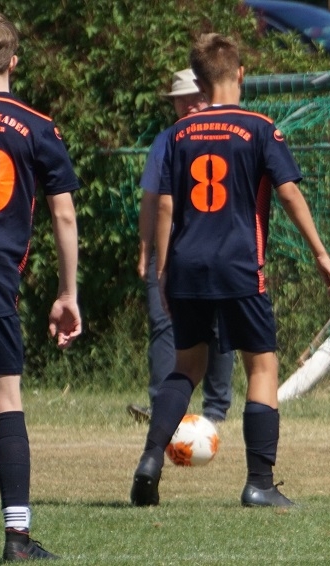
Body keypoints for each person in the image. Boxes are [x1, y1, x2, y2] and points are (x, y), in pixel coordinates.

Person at [130, 33, 330, 508]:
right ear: (241, 73)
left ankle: (150, 458)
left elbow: (165, 205)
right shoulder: (259, 128)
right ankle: (259, 484)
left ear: (199, 81)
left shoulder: (179, 134)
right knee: (262, 366)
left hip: (186, 265)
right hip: (239, 265)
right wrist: (320, 253)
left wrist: (163, 270)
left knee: (186, 366)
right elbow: (288, 192)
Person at [0, 8, 81, 560]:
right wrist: (68, 294)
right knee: (4, 398)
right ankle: (17, 538)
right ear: (13, 61)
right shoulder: (37, 126)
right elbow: (63, 215)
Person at [128, 68, 235, 425]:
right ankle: (162, 403)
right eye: (181, 100)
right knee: (163, 322)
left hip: (217, 247)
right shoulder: (166, 141)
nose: (188, 105)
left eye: (195, 98)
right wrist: (146, 249)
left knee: (219, 326)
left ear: (208, 95)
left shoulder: (229, 137)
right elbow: (152, 201)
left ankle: (215, 409)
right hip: (170, 248)